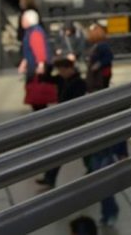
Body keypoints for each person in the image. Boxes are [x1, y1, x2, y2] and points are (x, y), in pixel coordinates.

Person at [37, 57, 87, 188]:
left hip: (74, 122)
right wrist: (49, 66)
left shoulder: (79, 83)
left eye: (62, 70)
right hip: (64, 121)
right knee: (60, 149)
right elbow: (45, 79)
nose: (60, 73)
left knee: (84, 149)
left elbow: (76, 102)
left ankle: (92, 169)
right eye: (58, 70)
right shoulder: (61, 79)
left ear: (70, 69)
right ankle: (50, 177)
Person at [18, 9, 52, 111]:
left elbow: (39, 49)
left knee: (37, 93)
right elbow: (29, 50)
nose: (21, 21)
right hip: (32, 64)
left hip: (35, 67)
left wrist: (40, 64)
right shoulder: (31, 31)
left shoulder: (35, 32)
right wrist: (24, 63)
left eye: (23, 19)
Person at [85, 24, 113, 93]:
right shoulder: (97, 45)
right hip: (100, 73)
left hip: (101, 73)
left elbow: (109, 57)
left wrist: (99, 64)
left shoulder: (102, 46)